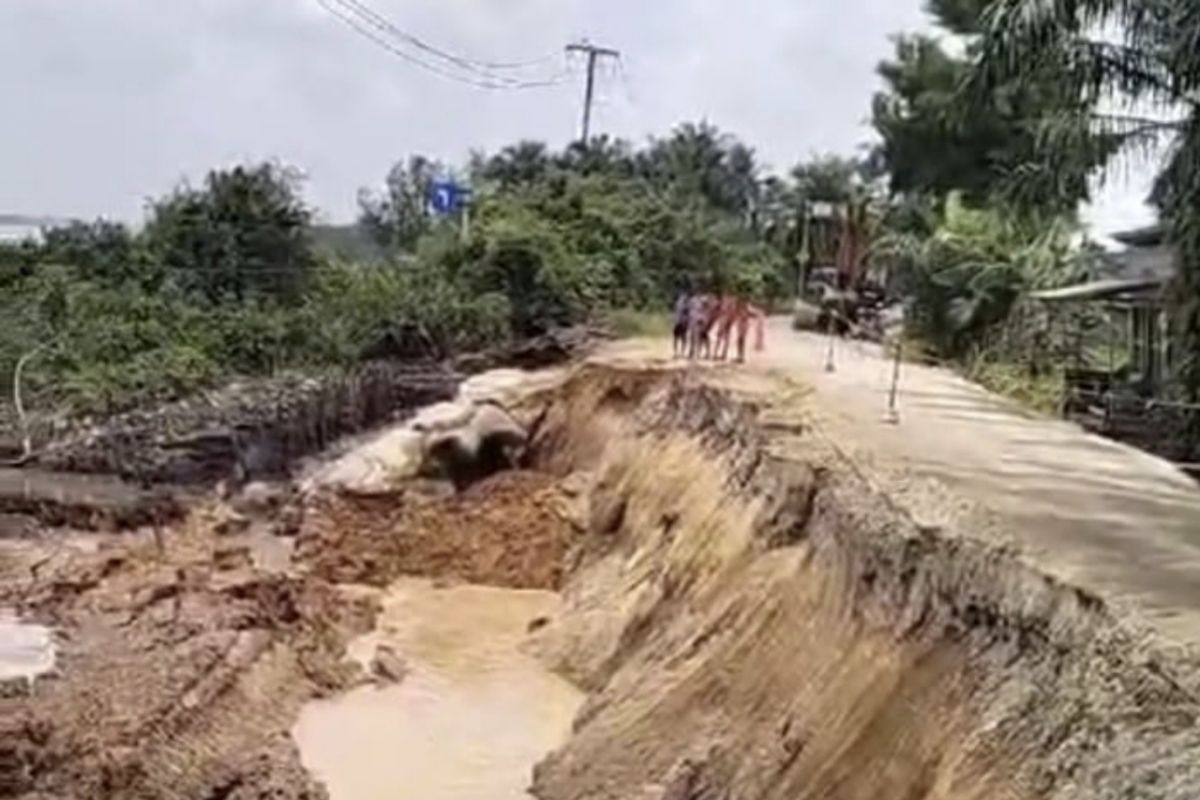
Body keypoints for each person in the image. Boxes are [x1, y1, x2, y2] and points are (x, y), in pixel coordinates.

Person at [672, 290, 691, 358]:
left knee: (682, 338)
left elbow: (688, 315)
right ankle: (676, 352)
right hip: (679, 322)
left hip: (682, 323)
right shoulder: (679, 303)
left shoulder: (686, 304)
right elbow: (675, 313)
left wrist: (688, 323)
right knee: (677, 338)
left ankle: (681, 352)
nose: (683, 297)